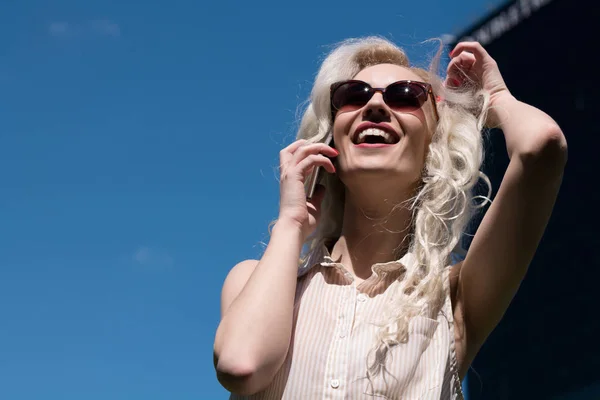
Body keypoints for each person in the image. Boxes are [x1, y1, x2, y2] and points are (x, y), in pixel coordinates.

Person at [213, 37, 567, 399]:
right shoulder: (252, 280)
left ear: (434, 144)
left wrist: (494, 97)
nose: (376, 104)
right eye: (354, 94)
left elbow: (542, 146)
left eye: (405, 95)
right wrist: (291, 223)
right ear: (330, 141)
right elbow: (242, 366)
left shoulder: (454, 298)